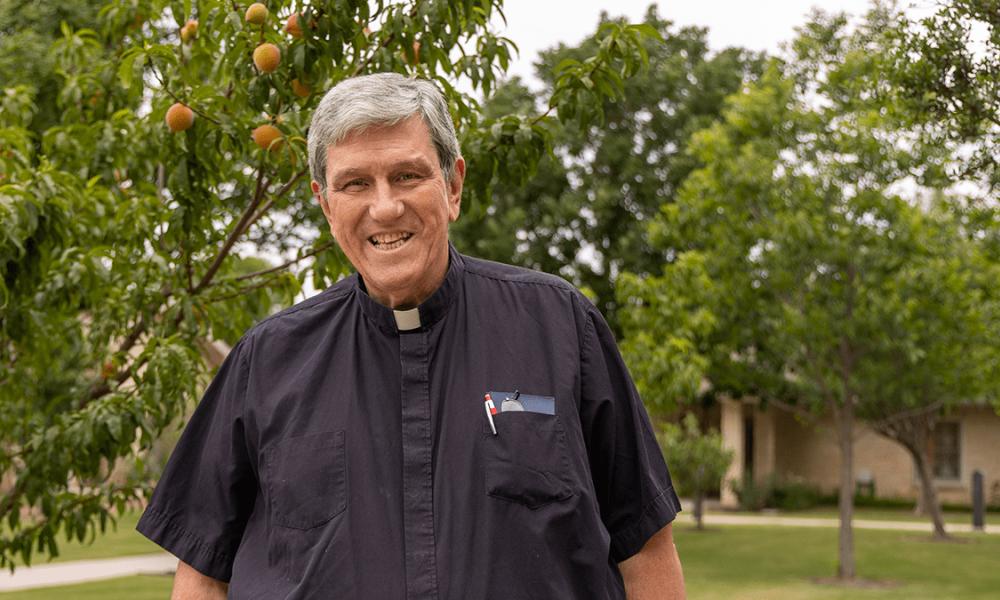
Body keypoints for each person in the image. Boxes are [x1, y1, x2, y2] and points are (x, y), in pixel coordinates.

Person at [137, 72, 685, 599]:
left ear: (453, 185)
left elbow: (646, 547)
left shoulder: (560, 326)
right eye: (355, 183)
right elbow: (203, 572)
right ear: (326, 205)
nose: (384, 207)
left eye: (407, 175)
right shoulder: (268, 361)